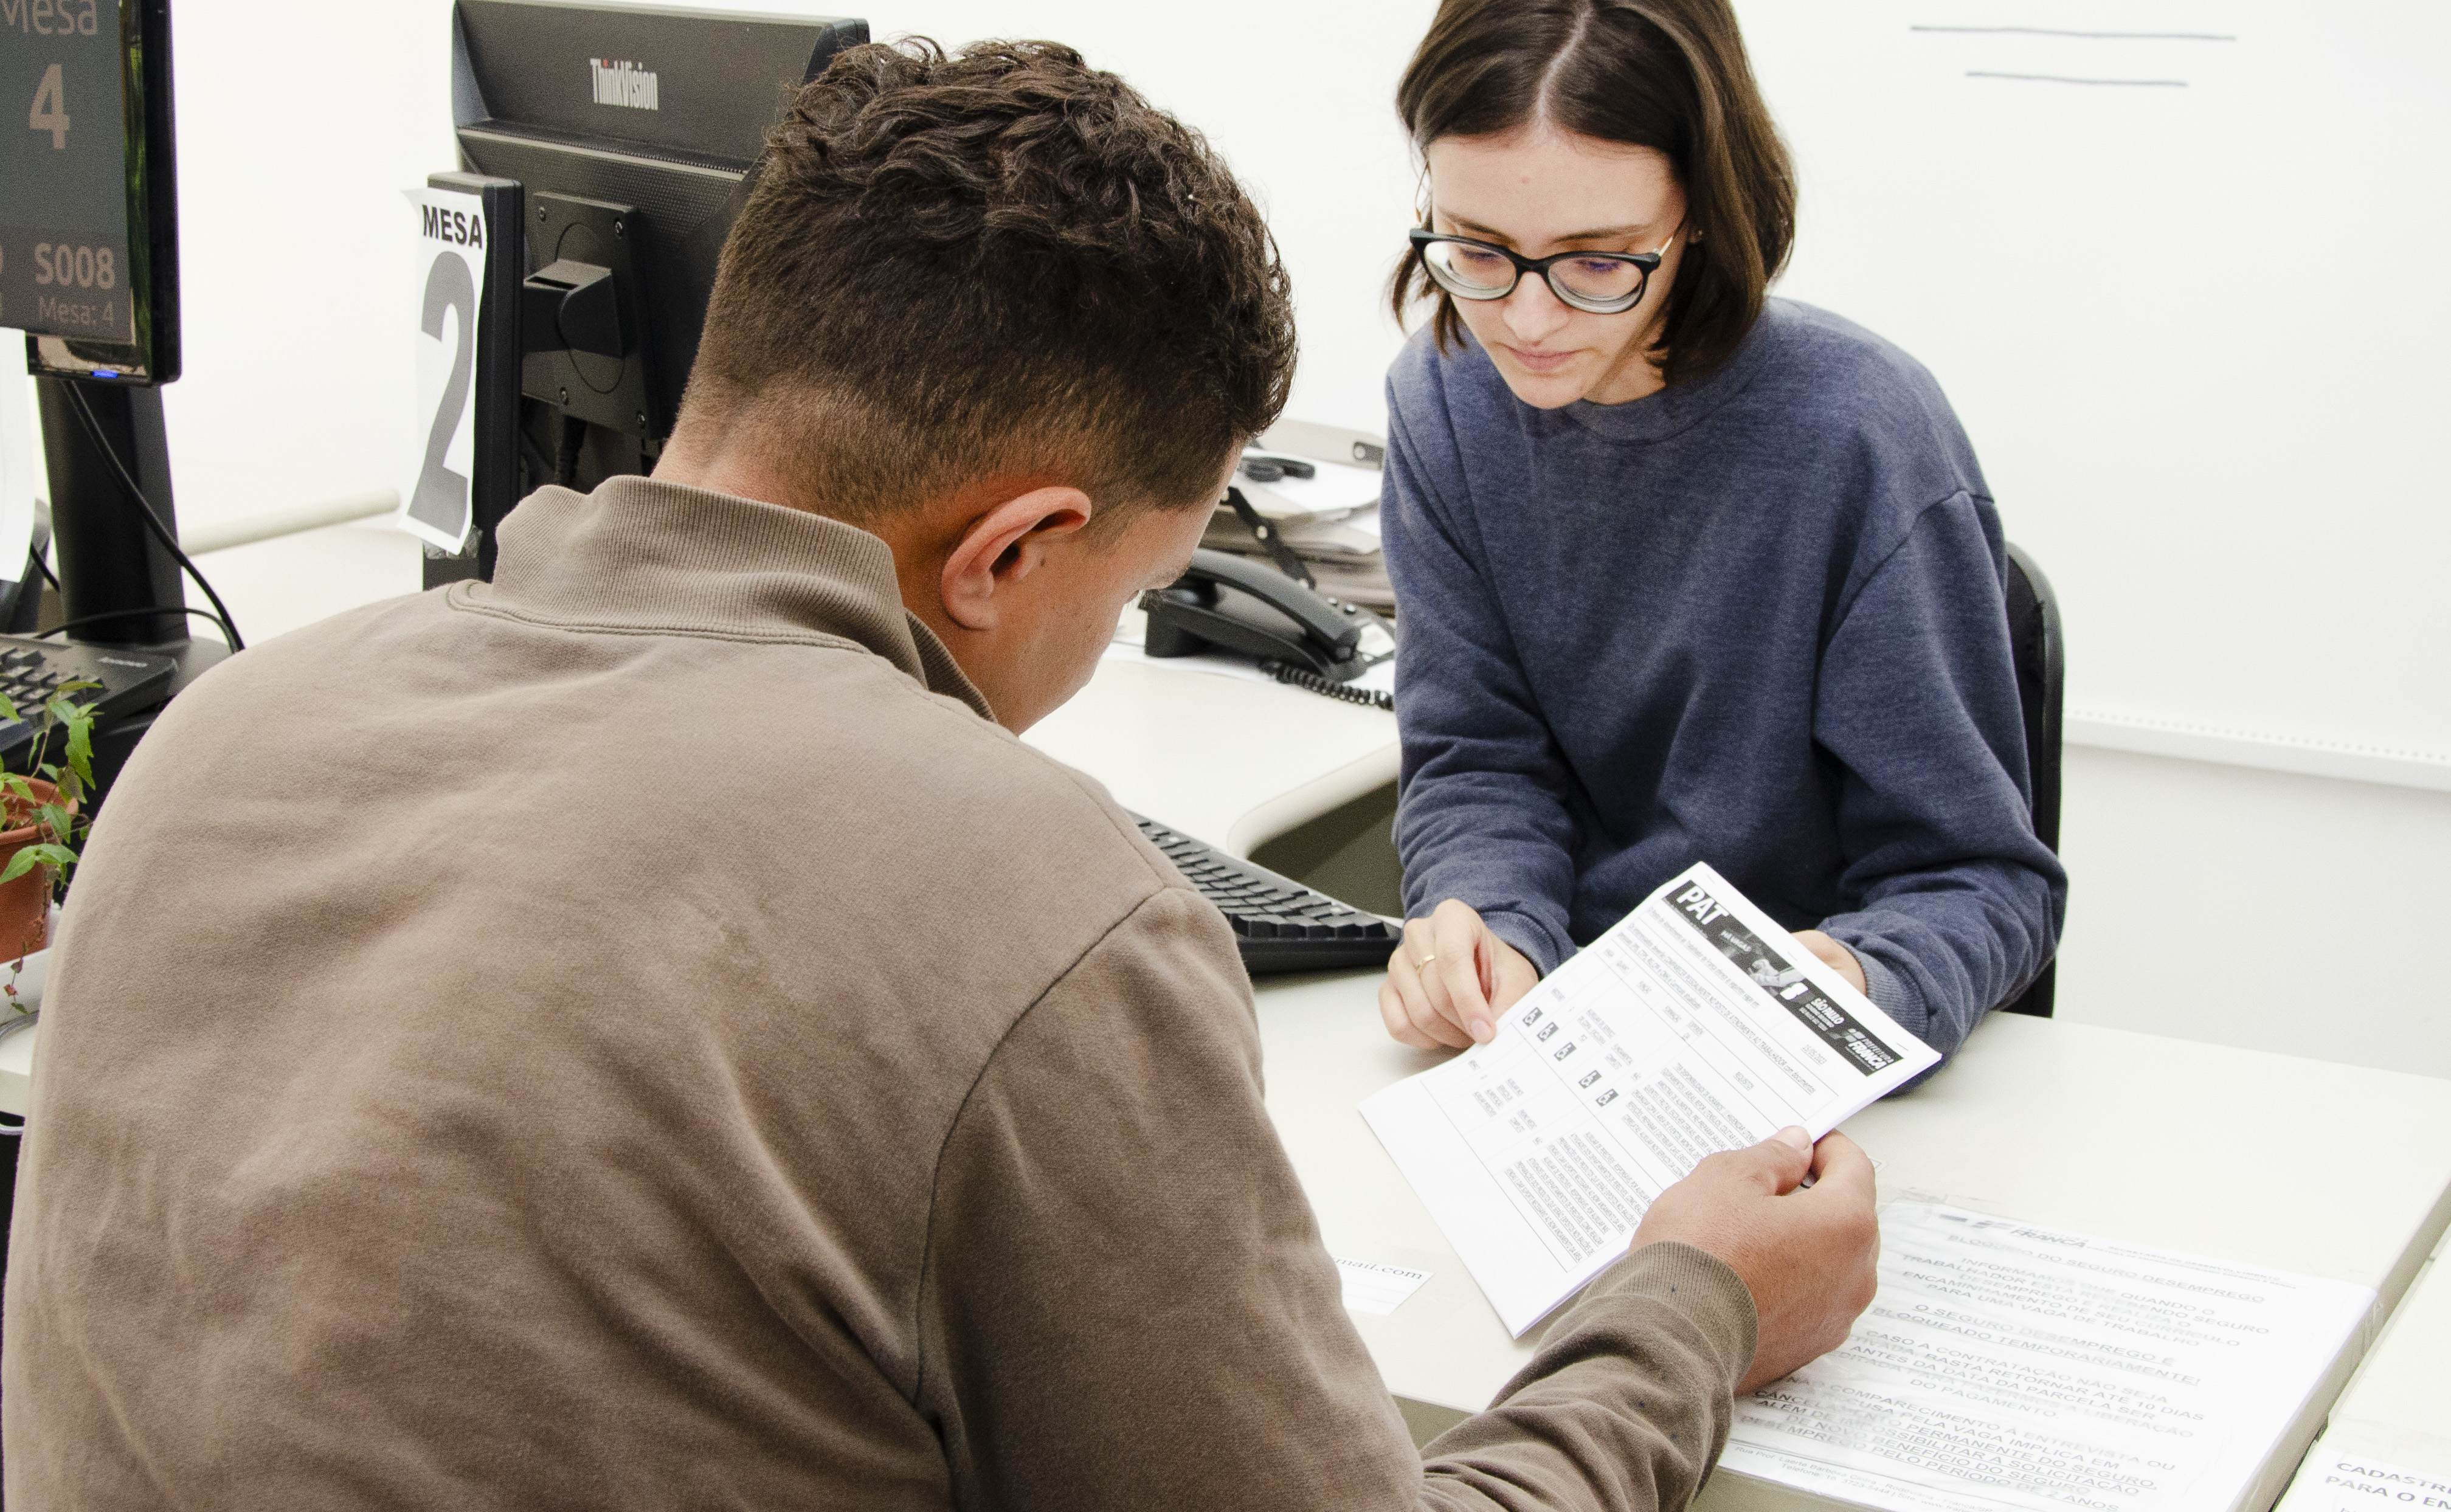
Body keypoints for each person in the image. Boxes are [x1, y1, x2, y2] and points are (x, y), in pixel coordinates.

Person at [4, 38, 1879, 1511]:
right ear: (1011, 553)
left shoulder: (220, 744)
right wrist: (1691, 1306)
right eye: (1130, 593)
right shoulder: (1035, 912)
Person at [1372, 0, 2067, 1062]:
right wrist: (1496, 931)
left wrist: (1853, 979)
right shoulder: (1446, 398)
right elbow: (1478, 760)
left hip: (1801, 1061)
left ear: (1699, 212)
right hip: (1568, 1051)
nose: (1526, 320)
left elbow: (1981, 881)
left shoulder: (1862, 438)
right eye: (1477, 250)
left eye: (1598, 263)